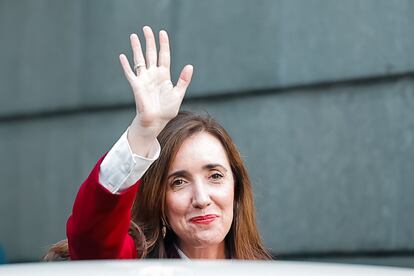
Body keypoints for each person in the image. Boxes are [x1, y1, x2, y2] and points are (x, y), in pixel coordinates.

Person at [44, 26, 271, 260]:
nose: (201, 199)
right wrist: (142, 131)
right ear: (159, 200)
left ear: (236, 190)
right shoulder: (133, 269)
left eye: (215, 176)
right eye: (179, 182)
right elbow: (91, 240)